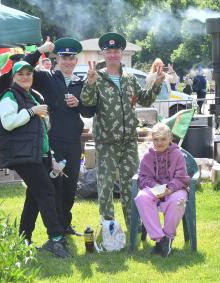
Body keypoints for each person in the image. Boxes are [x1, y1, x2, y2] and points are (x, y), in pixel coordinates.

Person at [81, 32, 164, 229]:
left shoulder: (129, 78)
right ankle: (109, 228)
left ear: (121, 53)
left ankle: (134, 226)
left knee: (132, 185)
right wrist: (90, 82)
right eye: (109, 51)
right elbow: (87, 102)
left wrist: (157, 83)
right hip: (106, 142)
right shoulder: (98, 77)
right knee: (106, 187)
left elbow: (145, 99)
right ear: (104, 54)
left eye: (116, 51)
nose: (112, 55)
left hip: (128, 142)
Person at [0, 61, 70, 258]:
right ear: (13, 77)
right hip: (23, 155)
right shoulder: (9, 96)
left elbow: (43, 133)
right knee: (46, 192)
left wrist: (51, 157)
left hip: (39, 154)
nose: (25, 76)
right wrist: (31, 112)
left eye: (29, 73)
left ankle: (23, 239)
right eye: (20, 74)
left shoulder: (34, 96)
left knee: (34, 197)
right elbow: (8, 123)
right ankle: (56, 239)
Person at [24, 37, 96, 236]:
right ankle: (55, 229)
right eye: (64, 57)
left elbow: (89, 112)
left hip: (73, 142)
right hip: (53, 140)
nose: (68, 61)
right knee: (55, 184)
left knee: (71, 185)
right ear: (57, 59)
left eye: (71, 58)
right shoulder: (46, 78)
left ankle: (65, 224)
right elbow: (24, 66)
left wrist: (79, 104)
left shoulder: (81, 83)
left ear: (75, 61)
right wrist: (41, 49)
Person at [135, 123, 190, 257]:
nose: (159, 143)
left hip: (175, 190)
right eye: (156, 139)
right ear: (152, 139)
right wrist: (156, 187)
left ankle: (167, 237)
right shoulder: (147, 155)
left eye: (163, 139)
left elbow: (181, 177)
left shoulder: (177, 154)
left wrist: (169, 189)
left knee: (178, 200)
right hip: (154, 189)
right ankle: (161, 239)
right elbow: (142, 178)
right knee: (141, 197)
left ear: (170, 138)